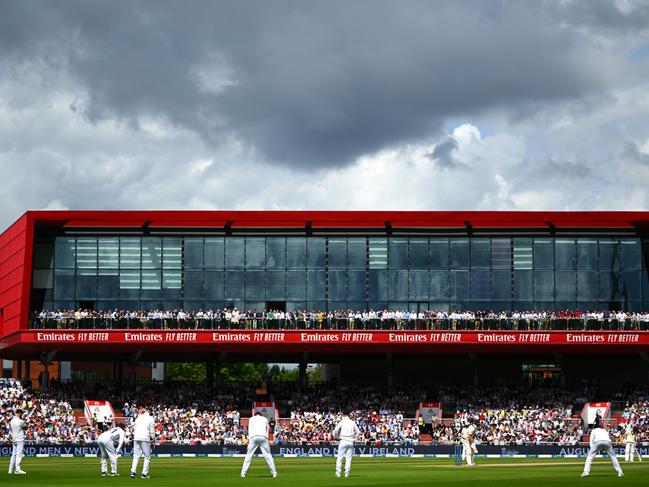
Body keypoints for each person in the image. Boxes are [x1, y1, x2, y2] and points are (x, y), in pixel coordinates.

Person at [240, 412, 277, 478]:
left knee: (248, 455)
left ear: (255, 414)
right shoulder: (265, 419)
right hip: (263, 437)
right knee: (268, 456)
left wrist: (250, 439)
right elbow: (267, 430)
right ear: (260, 415)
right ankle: (274, 473)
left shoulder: (251, 419)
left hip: (254, 437)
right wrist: (266, 438)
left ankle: (243, 473)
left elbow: (249, 430)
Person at [333, 409, 360, 478]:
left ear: (342, 414)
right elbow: (358, 432)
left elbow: (336, 430)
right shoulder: (352, 422)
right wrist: (355, 439)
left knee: (340, 458)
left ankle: (338, 473)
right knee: (348, 459)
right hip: (350, 441)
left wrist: (336, 437)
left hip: (343, 440)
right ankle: (346, 474)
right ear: (349, 414)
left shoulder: (342, 422)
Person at [131, 406, 156, 479]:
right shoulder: (151, 419)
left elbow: (135, 428)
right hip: (145, 438)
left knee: (136, 456)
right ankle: (144, 474)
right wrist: (153, 439)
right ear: (150, 412)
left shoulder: (138, 417)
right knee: (147, 457)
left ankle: (133, 472)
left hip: (136, 437)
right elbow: (152, 431)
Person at [8, 409, 27, 475]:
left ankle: (10, 470)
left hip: (14, 439)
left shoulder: (12, 421)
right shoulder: (21, 421)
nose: (21, 415)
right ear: (19, 413)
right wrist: (24, 420)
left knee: (13, 454)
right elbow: (25, 427)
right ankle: (17, 470)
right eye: (21, 414)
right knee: (19, 455)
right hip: (20, 439)